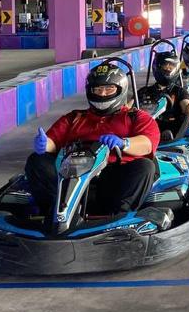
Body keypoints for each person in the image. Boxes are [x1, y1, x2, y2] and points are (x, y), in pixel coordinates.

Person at [26, 61, 160, 216]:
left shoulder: (136, 117)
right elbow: (53, 141)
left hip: (114, 176)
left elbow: (147, 144)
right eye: (97, 89)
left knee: (145, 166)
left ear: (121, 89)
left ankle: (119, 216)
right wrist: (44, 144)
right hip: (72, 173)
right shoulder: (74, 117)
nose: (102, 94)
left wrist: (124, 143)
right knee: (37, 160)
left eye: (109, 89)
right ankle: (54, 213)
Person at [139, 49, 189, 139]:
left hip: (173, 129)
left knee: (184, 118)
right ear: (157, 68)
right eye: (165, 67)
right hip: (151, 127)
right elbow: (129, 108)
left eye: (171, 67)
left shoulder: (179, 91)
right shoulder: (145, 91)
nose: (168, 70)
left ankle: (166, 138)